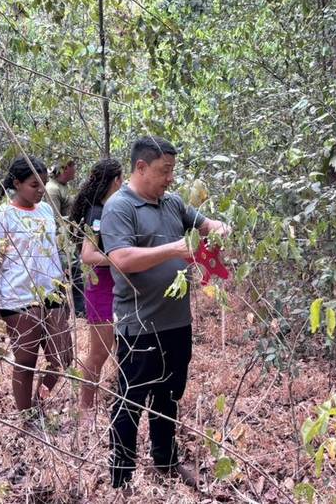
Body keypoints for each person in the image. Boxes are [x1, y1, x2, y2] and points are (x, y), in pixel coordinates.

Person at [101, 136, 230, 490]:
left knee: (169, 395)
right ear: (140, 167)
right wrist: (175, 248)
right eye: (164, 171)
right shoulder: (119, 207)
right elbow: (121, 259)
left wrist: (218, 230)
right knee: (130, 400)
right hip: (139, 326)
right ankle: (121, 476)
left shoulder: (172, 203)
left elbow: (206, 224)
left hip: (177, 323)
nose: (170, 178)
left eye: (172, 170)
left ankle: (166, 460)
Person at [0, 155, 73, 418]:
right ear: (17, 183)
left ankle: (39, 402)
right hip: (19, 300)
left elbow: (53, 252)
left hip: (52, 295)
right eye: (35, 185)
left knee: (62, 358)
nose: (41, 190)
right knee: (25, 364)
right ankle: (26, 417)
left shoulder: (45, 211)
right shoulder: (0, 217)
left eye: (44, 184)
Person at [69, 158, 124, 419]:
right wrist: (120, 259)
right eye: (121, 179)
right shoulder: (97, 214)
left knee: (118, 347)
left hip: (115, 286)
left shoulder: (108, 210)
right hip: (100, 286)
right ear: (116, 181)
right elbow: (87, 255)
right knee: (99, 351)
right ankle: (85, 408)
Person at [45, 157, 86, 317]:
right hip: (60, 239)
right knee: (69, 272)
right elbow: (55, 219)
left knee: (76, 273)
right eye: (73, 167)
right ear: (65, 168)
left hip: (69, 237)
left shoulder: (63, 187)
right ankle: (68, 310)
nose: (75, 170)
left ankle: (79, 309)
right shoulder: (52, 189)